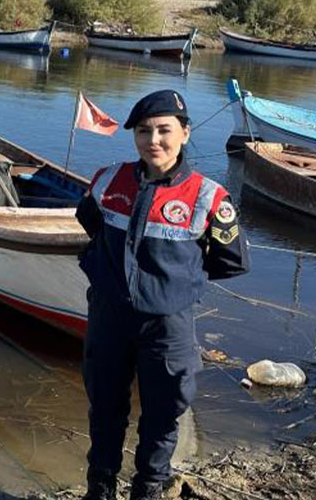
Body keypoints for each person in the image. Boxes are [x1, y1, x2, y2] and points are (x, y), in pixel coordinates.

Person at [75, 90, 250, 500]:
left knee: (163, 412)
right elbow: (90, 224)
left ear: (185, 134)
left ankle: (148, 490)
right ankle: (99, 488)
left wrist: (174, 283)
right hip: (109, 318)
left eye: (164, 130)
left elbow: (231, 260)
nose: (153, 140)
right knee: (104, 407)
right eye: (143, 131)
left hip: (167, 325)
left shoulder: (208, 197)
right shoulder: (107, 180)